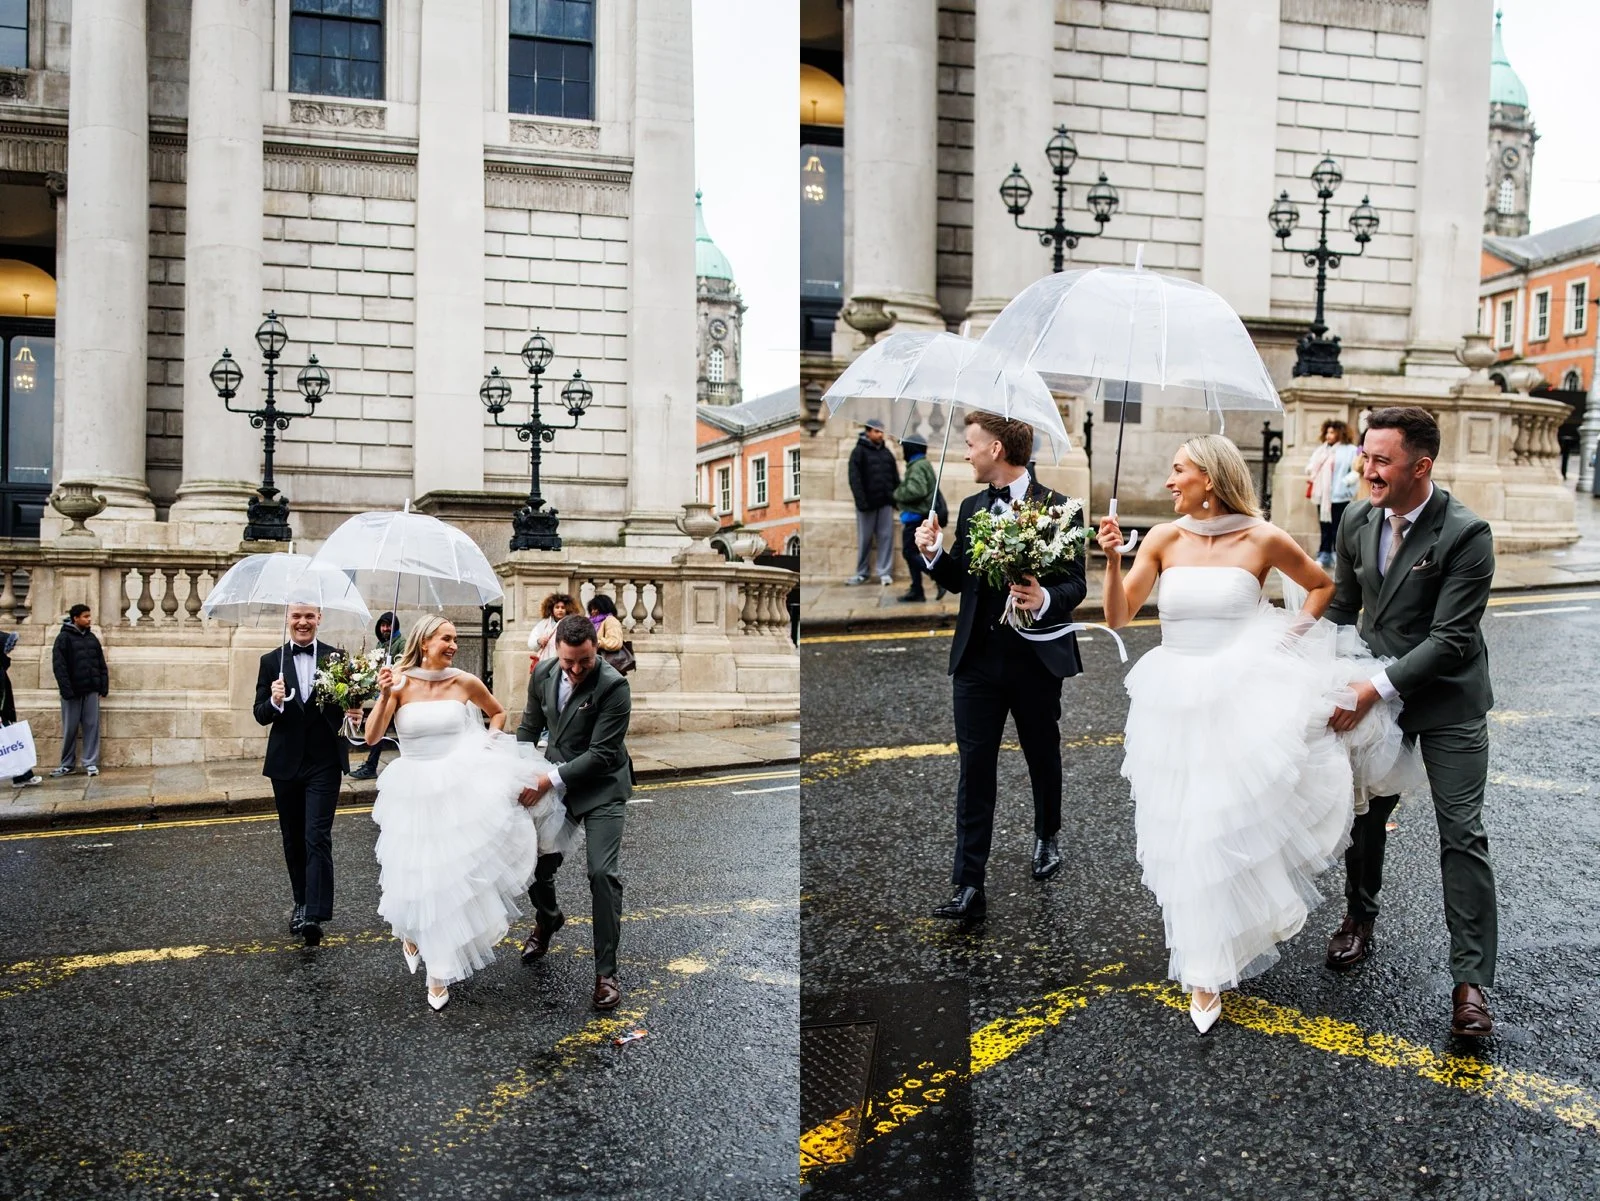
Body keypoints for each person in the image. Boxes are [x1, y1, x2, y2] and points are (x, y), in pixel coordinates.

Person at [1096, 434, 1388, 1034]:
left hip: (1243, 696)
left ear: (1210, 476)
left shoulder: (1262, 538)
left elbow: (1323, 587)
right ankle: (1204, 959)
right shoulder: (1161, 538)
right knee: (1183, 825)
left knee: (1224, 822)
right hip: (1174, 697)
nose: (1170, 481)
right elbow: (1118, 617)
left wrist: (1286, 639)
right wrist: (1112, 559)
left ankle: (1210, 960)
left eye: (1179, 471)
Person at [1323, 406, 1500, 1039]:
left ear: (1420, 466)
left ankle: (1470, 983)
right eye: (1364, 457)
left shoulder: (1466, 533)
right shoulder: (1355, 518)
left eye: (1380, 461)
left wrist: (1372, 688)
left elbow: (1452, 639)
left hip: (1447, 699)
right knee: (1365, 817)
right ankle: (1358, 921)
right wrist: (1291, 647)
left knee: (1462, 831)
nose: (1366, 471)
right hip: (1380, 692)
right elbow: (1344, 606)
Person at [913, 412, 1086, 921]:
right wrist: (931, 554)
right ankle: (968, 884)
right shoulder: (970, 508)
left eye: (971, 445)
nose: (965, 452)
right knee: (974, 772)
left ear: (995, 450)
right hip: (977, 663)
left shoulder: (1061, 509)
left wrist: (1044, 596)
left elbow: (1076, 584)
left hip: (1036, 660)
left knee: (1041, 753)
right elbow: (960, 581)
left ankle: (1047, 834)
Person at [362, 615, 568, 1012]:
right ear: (425, 643)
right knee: (416, 871)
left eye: (455, 638)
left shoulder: (464, 681)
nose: (453, 645)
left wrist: (489, 740)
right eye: (446, 638)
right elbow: (372, 737)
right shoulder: (398, 682)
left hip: (460, 786)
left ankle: (438, 969)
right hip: (414, 787)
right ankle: (412, 931)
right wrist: (385, 695)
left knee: (449, 877)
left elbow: (497, 713)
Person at [516, 613, 634, 1012]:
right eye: (570, 662)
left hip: (601, 788)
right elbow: (528, 730)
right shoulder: (544, 674)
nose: (577, 669)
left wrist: (546, 781)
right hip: (556, 782)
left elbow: (602, 754)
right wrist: (512, 773)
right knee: (531, 864)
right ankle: (548, 919)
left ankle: (606, 973)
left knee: (602, 873)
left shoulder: (615, 686)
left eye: (585, 660)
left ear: (596, 649)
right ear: (557, 651)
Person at [252, 603, 360, 947]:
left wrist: (355, 711)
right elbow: (260, 714)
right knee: (293, 836)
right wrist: (275, 701)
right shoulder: (271, 661)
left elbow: (352, 704)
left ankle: (314, 913)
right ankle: (300, 901)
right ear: (288, 619)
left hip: (325, 761)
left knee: (317, 835)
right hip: (285, 764)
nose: (303, 622)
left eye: (309, 616)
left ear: (319, 619)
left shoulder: (337, 659)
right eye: (297, 616)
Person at [50, 604, 107, 778]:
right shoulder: (63, 638)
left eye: (89, 616)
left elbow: (101, 664)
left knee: (92, 726)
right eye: (85, 616)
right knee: (70, 728)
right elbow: (59, 667)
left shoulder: (92, 638)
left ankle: (90, 762)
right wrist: (66, 690)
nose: (89, 619)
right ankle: (67, 764)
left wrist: (103, 686)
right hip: (72, 692)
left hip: (90, 690)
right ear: (75, 618)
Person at [890, 436, 945, 604]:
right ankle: (917, 589)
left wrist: (897, 493)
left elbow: (917, 490)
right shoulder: (922, 464)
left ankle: (937, 578)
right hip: (917, 516)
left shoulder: (918, 466)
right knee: (910, 553)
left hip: (915, 517)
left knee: (909, 552)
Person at [846, 417, 900, 586]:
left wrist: (896, 499)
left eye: (881, 431)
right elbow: (855, 479)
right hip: (866, 505)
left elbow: (894, 478)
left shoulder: (886, 453)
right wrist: (861, 501)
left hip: (885, 503)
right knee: (865, 539)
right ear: (868, 432)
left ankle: (884, 572)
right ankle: (862, 573)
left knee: (886, 538)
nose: (880, 434)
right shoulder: (858, 452)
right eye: (877, 431)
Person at [349, 611, 401, 781]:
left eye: (388, 625)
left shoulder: (402, 643)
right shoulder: (381, 644)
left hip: (396, 694)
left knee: (384, 730)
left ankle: (372, 766)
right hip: (383, 694)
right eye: (382, 625)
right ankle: (371, 765)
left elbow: (404, 667)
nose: (385, 628)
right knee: (379, 729)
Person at [1306, 419, 1361, 567]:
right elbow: (1311, 465)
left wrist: (1345, 483)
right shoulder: (1321, 449)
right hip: (1322, 495)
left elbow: (1357, 469)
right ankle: (1324, 554)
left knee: (1339, 527)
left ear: (1340, 433)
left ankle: (1339, 555)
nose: (1328, 435)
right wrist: (1311, 471)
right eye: (1327, 432)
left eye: (1332, 432)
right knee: (1324, 526)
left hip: (1340, 496)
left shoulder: (1351, 449)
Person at [1, 632, 40, 786]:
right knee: (12, 744)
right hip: (2, 714)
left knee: (12, 745)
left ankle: (22, 776)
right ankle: (22, 776)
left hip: (4, 713)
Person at [528, 592, 576, 669]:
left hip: (563, 662)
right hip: (544, 662)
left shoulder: (571, 623)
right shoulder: (543, 624)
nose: (560, 610)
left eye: (563, 607)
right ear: (551, 609)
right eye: (557, 607)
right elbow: (531, 643)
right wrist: (539, 641)